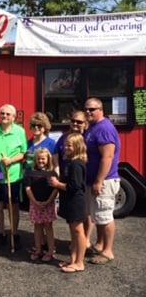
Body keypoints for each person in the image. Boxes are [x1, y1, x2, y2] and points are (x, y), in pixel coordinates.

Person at [84, 98, 121, 265]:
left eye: (92, 109)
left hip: (104, 181)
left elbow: (108, 157)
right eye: (86, 109)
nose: (88, 112)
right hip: (93, 180)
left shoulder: (104, 128)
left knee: (105, 216)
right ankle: (99, 244)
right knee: (97, 216)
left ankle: (108, 251)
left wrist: (99, 181)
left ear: (101, 109)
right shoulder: (93, 127)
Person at [0, 104, 27, 250]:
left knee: (12, 206)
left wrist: (11, 160)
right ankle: (1, 233)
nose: (4, 116)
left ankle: (14, 233)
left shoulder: (20, 131)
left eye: (8, 114)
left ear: (14, 117)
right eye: (2, 113)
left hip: (13, 175)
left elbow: (23, 153)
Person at [52, 110, 93, 250]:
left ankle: (85, 240)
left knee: (85, 212)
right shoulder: (64, 137)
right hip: (67, 179)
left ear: (86, 124)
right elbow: (56, 154)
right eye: (73, 121)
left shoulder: (88, 137)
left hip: (85, 180)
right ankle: (76, 243)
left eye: (79, 122)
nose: (75, 124)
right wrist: (57, 171)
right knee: (73, 217)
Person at [51, 133, 87, 273]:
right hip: (69, 200)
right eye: (65, 145)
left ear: (77, 147)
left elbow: (75, 186)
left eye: (69, 145)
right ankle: (73, 260)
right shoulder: (70, 162)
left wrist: (57, 184)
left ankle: (80, 262)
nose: (66, 147)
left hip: (75, 202)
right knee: (73, 232)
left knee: (78, 231)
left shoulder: (76, 165)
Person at [25, 112, 56, 253]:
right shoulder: (29, 143)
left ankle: (49, 248)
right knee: (37, 220)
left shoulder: (51, 143)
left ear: (45, 127)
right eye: (33, 125)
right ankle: (40, 245)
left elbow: (55, 164)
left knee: (47, 222)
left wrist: (56, 182)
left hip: (46, 185)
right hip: (32, 183)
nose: (36, 128)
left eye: (39, 125)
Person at [24, 148, 58, 262]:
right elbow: (28, 188)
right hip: (35, 204)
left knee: (48, 227)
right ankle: (38, 250)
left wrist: (48, 201)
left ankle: (50, 250)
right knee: (37, 226)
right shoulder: (30, 172)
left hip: (49, 203)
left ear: (48, 159)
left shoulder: (52, 173)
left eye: (43, 158)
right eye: (38, 158)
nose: (41, 161)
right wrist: (34, 202)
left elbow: (55, 189)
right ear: (35, 159)